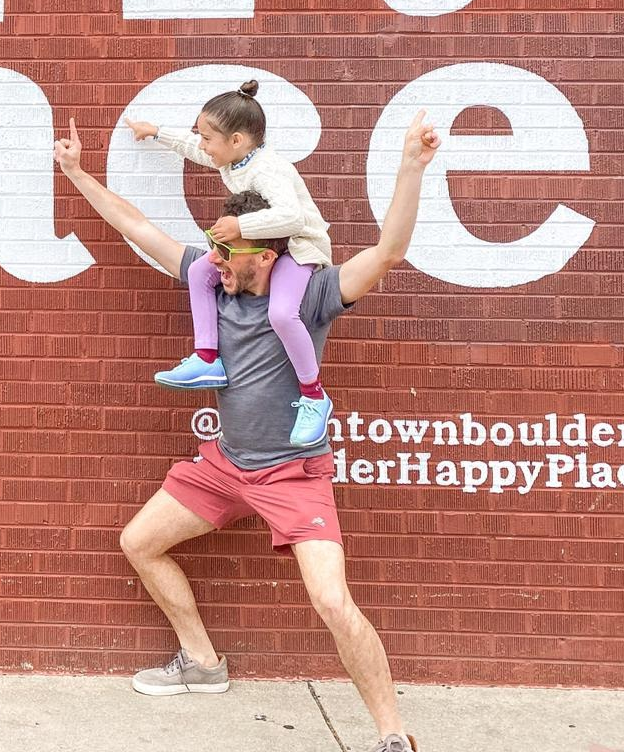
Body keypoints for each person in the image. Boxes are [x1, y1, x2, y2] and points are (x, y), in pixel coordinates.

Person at [54, 112, 439, 752]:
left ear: (267, 253)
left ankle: (392, 734)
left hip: (293, 473)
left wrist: (410, 168)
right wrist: (76, 173)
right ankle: (202, 662)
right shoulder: (217, 285)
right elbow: (136, 226)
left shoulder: (312, 296)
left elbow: (387, 252)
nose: (214, 261)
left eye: (227, 251)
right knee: (140, 542)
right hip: (225, 464)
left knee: (332, 602)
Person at [125, 80, 336, 448]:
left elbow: (293, 218)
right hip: (261, 246)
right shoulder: (235, 158)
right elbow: (192, 148)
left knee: (282, 314)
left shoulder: (266, 170)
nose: (203, 145)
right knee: (198, 271)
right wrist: (156, 132)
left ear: (236, 140)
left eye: (208, 138)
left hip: (298, 249)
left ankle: (314, 395)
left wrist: (240, 226)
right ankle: (208, 357)